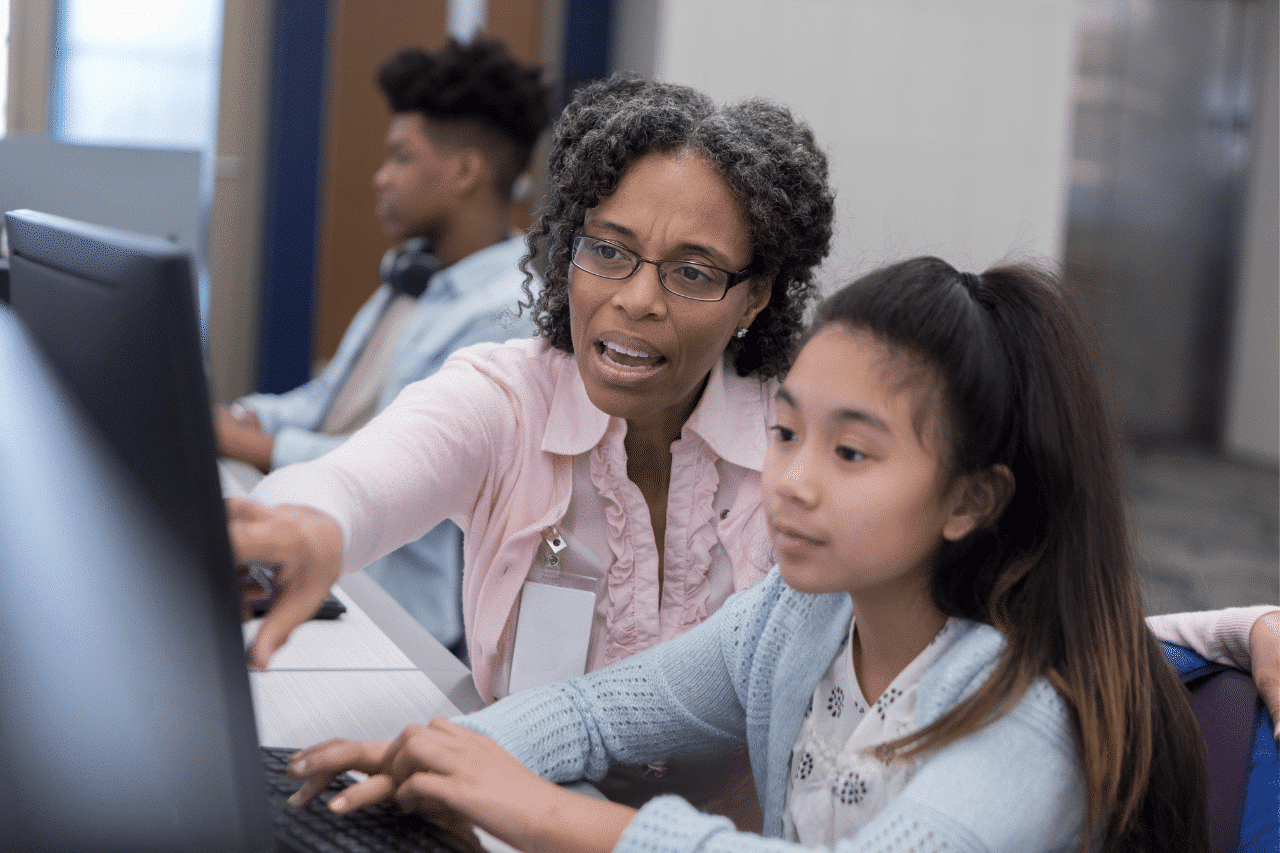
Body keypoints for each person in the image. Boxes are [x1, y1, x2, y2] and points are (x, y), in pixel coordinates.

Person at [230, 73, 1278, 819]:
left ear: (754, 296)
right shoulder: (785, 608)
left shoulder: (819, 461)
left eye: (691, 270)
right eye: (607, 251)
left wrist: (1237, 629)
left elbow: (1036, 607)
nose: (635, 298)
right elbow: (382, 484)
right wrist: (430, 739)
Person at [284, 257, 1219, 853]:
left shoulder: (1028, 714)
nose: (794, 483)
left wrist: (557, 818)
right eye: (783, 433)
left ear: (975, 497)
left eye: (851, 452)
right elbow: (596, 714)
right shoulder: (799, 614)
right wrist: (436, 758)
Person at [217, 35, 552, 652]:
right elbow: (326, 399)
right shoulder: (412, 276)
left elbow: (386, 457)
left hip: (402, 618)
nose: (380, 176)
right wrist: (242, 416)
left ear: (464, 171)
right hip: (341, 565)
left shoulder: (507, 312)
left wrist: (241, 440)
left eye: (400, 157)